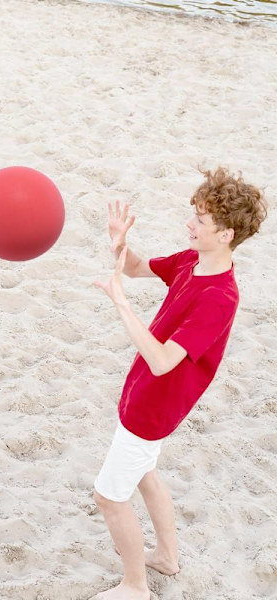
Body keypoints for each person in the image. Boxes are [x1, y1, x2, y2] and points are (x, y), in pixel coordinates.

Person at [91, 167, 268, 600]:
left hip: (153, 407)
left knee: (110, 498)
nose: (190, 224)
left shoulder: (219, 298)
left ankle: (135, 587)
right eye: (194, 213)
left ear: (226, 234)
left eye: (201, 220)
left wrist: (121, 305)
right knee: (146, 474)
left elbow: (163, 359)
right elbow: (133, 268)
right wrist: (120, 245)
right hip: (147, 398)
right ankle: (167, 558)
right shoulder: (192, 261)